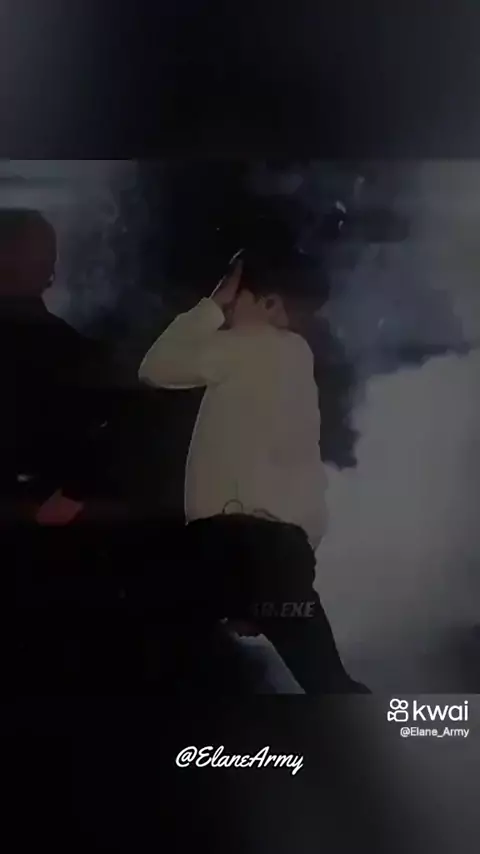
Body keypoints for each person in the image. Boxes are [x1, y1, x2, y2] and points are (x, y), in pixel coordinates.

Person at [138, 245, 369, 693]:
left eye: (235, 299)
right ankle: (393, 736)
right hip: (282, 553)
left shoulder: (253, 344)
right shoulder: (296, 363)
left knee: (158, 674)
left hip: (224, 544)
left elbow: (156, 367)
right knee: (330, 684)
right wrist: (279, 584)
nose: (229, 312)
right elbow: (305, 480)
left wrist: (210, 306)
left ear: (268, 303)